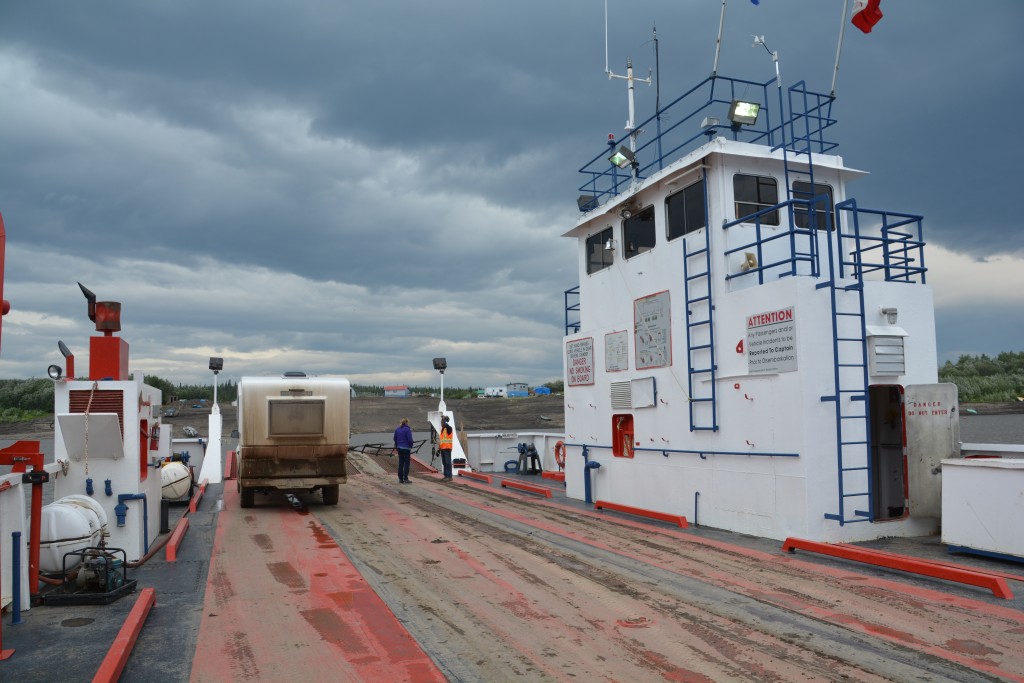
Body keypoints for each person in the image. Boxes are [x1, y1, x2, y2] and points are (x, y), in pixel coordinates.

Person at [393, 418, 414, 484]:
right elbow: (410, 439)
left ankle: (400, 479)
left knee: (401, 464)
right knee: (406, 464)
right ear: (407, 422)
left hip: (399, 448)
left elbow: (394, 438)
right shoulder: (407, 429)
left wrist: (397, 445)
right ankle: (405, 478)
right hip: (406, 448)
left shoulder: (397, 429)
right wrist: (411, 445)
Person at [438, 414, 454, 481]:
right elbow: (442, 440)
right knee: (444, 462)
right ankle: (446, 475)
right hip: (443, 448)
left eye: (442, 422)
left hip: (447, 448)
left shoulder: (449, 429)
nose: (441, 423)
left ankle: (449, 476)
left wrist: (445, 419)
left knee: (448, 462)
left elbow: (447, 425)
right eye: (441, 422)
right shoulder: (443, 430)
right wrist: (439, 449)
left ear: (445, 423)